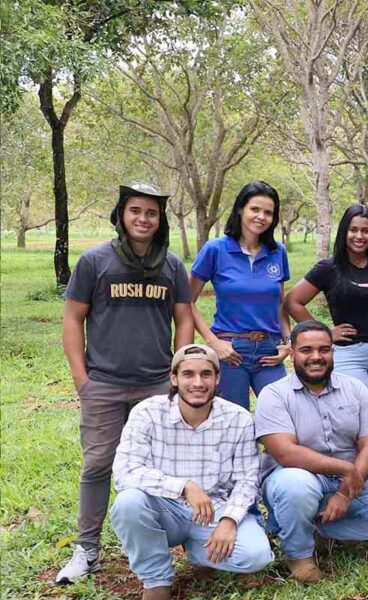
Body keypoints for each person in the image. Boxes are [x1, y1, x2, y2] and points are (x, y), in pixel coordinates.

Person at [58, 181, 195, 585]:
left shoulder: (171, 265)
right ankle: (87, 549)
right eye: (135, 211)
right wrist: (82, 379)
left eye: (151, 213)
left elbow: (184, 316)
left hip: (155, 384)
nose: (143, 219)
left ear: (160, 220)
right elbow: (72, 319)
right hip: (103, 383)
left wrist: (178, 367)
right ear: (121, 215)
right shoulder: (95, 261)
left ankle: (159, 543)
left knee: (159, 466)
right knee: (98, 464)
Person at [256, 321, 368, 583]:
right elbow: (286, 453)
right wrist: (345, 469)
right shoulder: (274, 395)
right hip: (297, 476)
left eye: (324, 349)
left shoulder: (354, 388)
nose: (316, 357)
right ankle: (299, 554)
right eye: (306, 350)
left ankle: (318, 529)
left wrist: (344, 492)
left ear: (333, 351)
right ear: (292, 352)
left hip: (350, 477)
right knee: (295, 486)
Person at [109, 345, 272, 599]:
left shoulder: (238, 418)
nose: (198, 382)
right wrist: (184, 486)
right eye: (188, 374)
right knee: (128, 503)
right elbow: (125, 471)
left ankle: (199, 550)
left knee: (256, 556)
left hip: (215, 509)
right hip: (165, 507)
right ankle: (156, 580)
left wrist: (229, 521)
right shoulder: (148, 412)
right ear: (174, 378)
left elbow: (247, 479)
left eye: (206, 374)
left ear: (217, 379)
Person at [285, 205, 368, 451]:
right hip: (349, 352)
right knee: (357, 408)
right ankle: (348, 459)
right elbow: (293, 301)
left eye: (365, 231)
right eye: (353, 229)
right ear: (344, 232)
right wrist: (326, 332)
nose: (359, 236)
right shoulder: (329, 267)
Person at [189, 181, 291, 410]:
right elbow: (187, 301)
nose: (261, 217)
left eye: (268, 212)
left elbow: (280, 305)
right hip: (231, 350)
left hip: (269, 350)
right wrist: (214, 343)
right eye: (255, 209)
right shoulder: (215, 249)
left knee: (281, 418)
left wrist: (287, 344)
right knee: (234, 422)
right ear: (240, 209)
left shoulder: (278, 252)